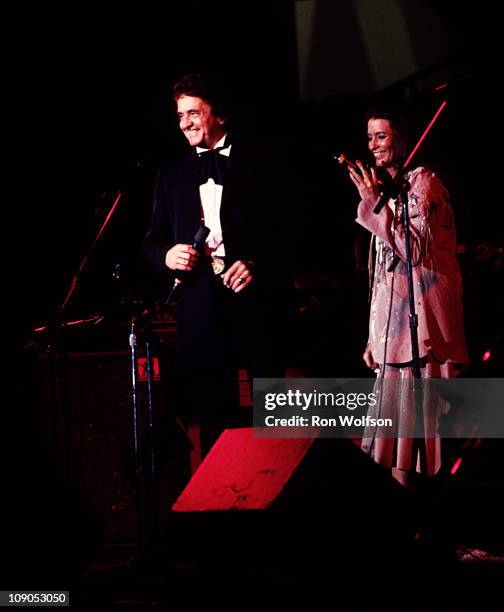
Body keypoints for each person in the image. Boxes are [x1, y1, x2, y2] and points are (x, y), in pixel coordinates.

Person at [143, 73, 289, 455]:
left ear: (219, 115)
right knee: (213, 432)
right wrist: (166, 255)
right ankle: (218, 512)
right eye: (180, 116)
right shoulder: (170, 175)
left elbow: (288, 232)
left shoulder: (260, 161)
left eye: (193, 112)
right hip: (200, 314)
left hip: (255, 309)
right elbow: (151, 243)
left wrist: (255, 262)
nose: (185, 123)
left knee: (274, 429)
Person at [347, 110, 468, 488]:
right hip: (393, 337)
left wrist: (370, 204)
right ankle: (406, 530)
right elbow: (382, 275)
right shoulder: (392, 191)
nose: (373, 147)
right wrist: (373, 335)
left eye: (381, 137)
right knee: (396, 446)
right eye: (369, 138)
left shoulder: (424, 183)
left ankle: (426, 529)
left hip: (422, 335)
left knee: (421, 444)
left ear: (401, 139)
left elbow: (415, 251)